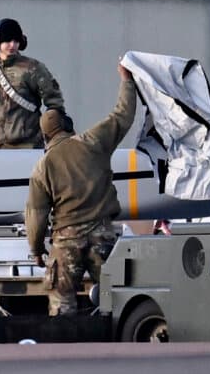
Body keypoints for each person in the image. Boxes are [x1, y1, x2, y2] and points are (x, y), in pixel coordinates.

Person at [25, 63, 136, 316]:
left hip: (66, 242)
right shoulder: (93, 142)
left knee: (62, 306)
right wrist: (127, 81)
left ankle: (67, 349)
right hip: (102, 237)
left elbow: (36, 214)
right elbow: (122, 116)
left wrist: (36, 250)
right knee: (116, 301)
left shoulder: (43, 167)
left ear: (45, 137)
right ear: (67, 125)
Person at [0, 18, 64, 149]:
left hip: (30, 146)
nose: (12, 45)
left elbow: (55, 103)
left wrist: (50, 133)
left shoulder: (33, 69)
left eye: (16, 41)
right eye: (7, 40)